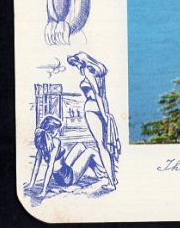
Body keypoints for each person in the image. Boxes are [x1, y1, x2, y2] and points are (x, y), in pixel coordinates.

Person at [65, 53, 120, 191]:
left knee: (101, 146)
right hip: (100, 110)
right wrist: (106, 113)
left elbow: (97, 95)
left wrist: (104, 113)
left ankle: (111, 182)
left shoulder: (88, 72)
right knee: (105, 146)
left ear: (82, 62)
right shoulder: (98, 74)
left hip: (91, 109)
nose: (77, 68)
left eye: (77, 64)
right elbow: (103, 96)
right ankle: (112, 178)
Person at [26, 115, 106, 198]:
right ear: (52, 132)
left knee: (80, 146)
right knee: (90, 151)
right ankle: (106, 169)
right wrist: (44, 190)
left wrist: (31, 185)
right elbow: (50, 167)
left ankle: (98, 171)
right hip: (68, 178)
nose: (58, 132)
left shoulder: (42, 143)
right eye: (57, 130)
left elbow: (36, 166)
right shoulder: (56, 142)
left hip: (61, 174)